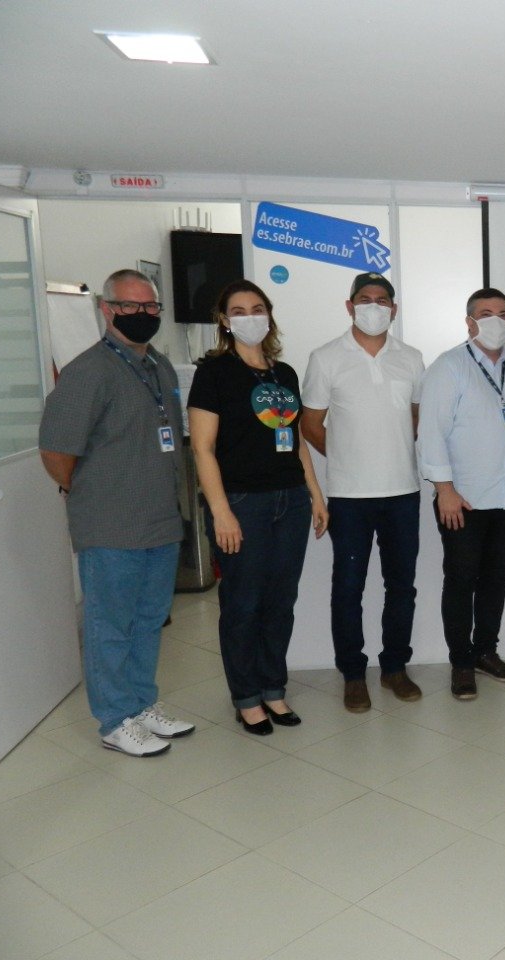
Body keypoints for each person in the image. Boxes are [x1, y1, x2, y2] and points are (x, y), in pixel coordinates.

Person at [39, 268, 195, 756]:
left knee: (149, 620)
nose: (141, 314)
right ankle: (113, 719)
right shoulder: (88, 371)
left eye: (150, 306)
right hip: (110, 527)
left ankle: (141, 704)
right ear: (107, 310)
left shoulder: (159, 366)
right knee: (110, 625)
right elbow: (56, 452)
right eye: (130, 306)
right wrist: (92, 492)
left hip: (160, 521)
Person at [187, 280, 328, 735]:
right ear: (224, 321)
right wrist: (221, 512)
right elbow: (203, 449)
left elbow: (296, 439)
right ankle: (246, 697)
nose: (251, 317)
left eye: (258, 308)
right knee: (243, 602)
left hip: (291, 500)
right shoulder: (214, 373)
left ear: (269, 315)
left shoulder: (283, 373)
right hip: (242, 503)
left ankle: (273, 687)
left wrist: (315, 492)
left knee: (281, 602)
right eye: (239, 310)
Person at [302, 272, 426, 712]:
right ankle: (353, 674)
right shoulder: (325, 358)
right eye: (365, 299)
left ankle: (395, 667)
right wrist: (344, 455)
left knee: (402, 586)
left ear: (394, 308)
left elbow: (415, 417)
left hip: (402, 491)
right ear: (349, 305)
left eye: (382, 300)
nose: (374, 306)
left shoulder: (411, 358)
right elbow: (310, 424)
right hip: (349, 496)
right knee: (348, 587)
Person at [418, 288, 505, 700]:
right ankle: (461, 663)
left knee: (495, 579)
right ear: (470, 322)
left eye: (503, 313)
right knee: (461, 580)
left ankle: (486, 651)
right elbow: (431, 432)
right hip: (462, 499)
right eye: (486, 313)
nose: (496, 321)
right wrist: (444, 490)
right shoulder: (448, 366)